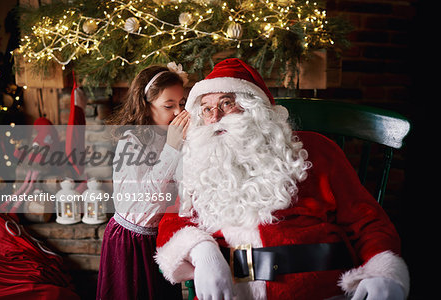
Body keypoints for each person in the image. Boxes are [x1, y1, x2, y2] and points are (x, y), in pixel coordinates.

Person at [155, 58, 410, 300]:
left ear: (254, 108)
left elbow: (366, 220)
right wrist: (202, 252)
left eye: (226, 103)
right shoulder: (200, 161)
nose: (214, 118)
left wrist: (383, 272)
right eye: (207, 109)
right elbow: (172, 224)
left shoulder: (316, 150)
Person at [96, 63, 189, 300]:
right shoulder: (132, 142)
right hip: (130, 242)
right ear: (145, 106)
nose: (179, 113)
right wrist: (172, 148)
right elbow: (144, 199)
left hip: (159, 239)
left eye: (182, 104)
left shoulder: (169, 135)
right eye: (169, 106)